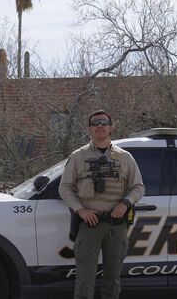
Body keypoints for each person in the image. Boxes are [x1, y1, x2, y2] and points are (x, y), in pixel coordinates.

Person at [59, 110, 145, 299]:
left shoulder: (125, 157)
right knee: (84, 279)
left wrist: (125, 203)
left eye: (104, 122)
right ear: (89, 128)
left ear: (111, 128)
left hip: (117, 226)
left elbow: (138, 187)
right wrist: (80, 210)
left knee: (112, 279)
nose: (100, 126)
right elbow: (64, 188)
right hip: (89, 225)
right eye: (95, 123)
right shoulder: (78, 156)